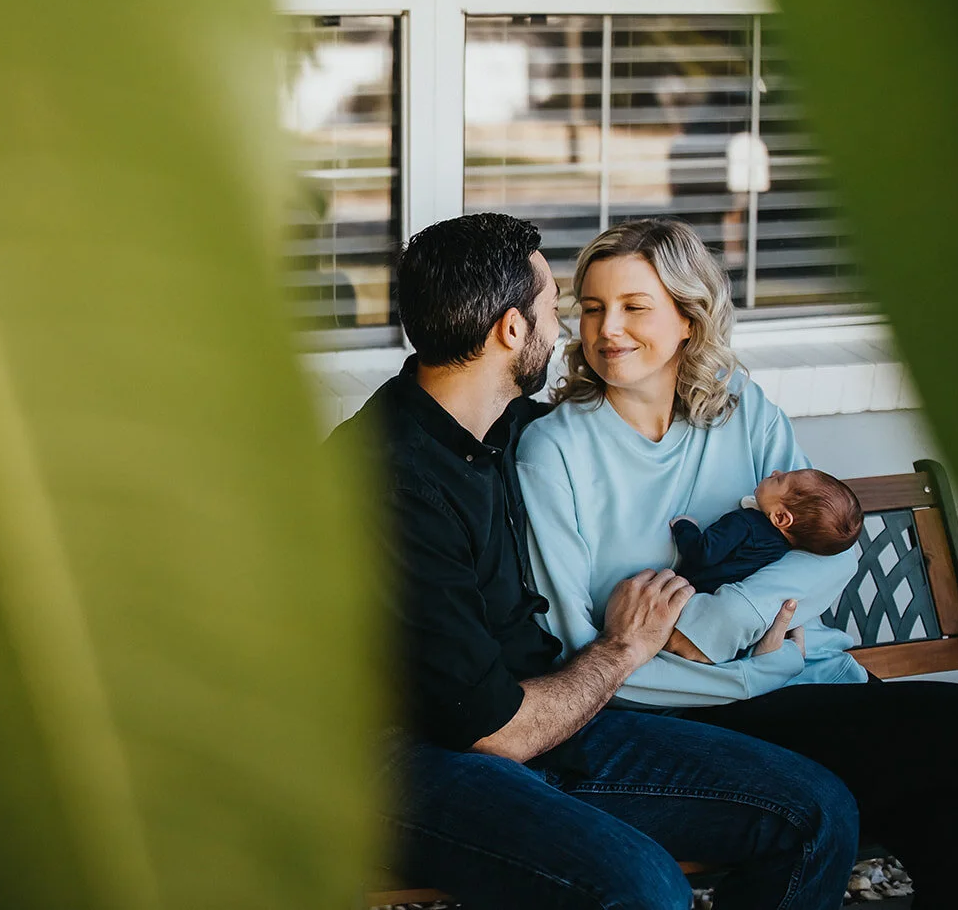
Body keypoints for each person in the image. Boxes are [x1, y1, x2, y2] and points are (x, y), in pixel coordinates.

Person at [327, 213, 857, 910]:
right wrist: (622, 647)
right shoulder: (390, 481)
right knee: (643, 887)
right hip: (410, 754)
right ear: (511, 330)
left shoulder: (494, 425)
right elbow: (491, 731)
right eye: (558, 308)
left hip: (541, 714)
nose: (570, 331)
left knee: (816, 812)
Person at [518, 217, 958, 908]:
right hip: (681, 709)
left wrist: (712, 627)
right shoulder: (554, 449)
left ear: (689, 319)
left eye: (635, 306)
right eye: (595, 307)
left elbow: (829, 554)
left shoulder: (741, 410)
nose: (609, 330)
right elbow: (574, 641)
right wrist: (743, 662)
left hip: (805, 679)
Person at [671, 468, 863, 597]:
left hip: (690, 592)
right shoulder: (780, 550)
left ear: (780, 517)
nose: (775, 472)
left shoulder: (744, 524)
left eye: (779, 479)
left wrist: (684, 526)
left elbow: (704, 552)